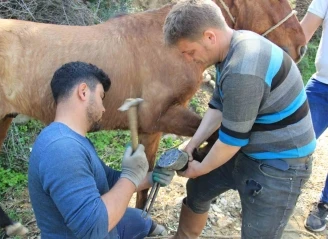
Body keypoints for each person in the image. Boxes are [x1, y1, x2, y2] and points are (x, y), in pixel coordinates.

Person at [163, 0, 316, 238]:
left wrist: (200, 168)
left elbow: (232, 140)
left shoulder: (244, 67)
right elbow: (218, 107)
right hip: (245, 149)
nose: (189, 59)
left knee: (257, 233)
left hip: (280, 164)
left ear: (209, 37)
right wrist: (191, 145)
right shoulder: (231, 46)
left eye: (190, 52)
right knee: (199, 190)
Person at [28, 61, 174, 239]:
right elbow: (93, 229)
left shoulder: (72, 140)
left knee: (138, 219)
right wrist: (130, 175)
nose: (104, 108)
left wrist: (150, 177)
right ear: (83, 92)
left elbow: (109, 181)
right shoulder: (62, 149)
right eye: (100, 96)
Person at [300, 0, 328, 232]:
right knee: (294, 142)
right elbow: (301, 35)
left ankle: (324, 204)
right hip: (321, 86)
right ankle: (270, 194)